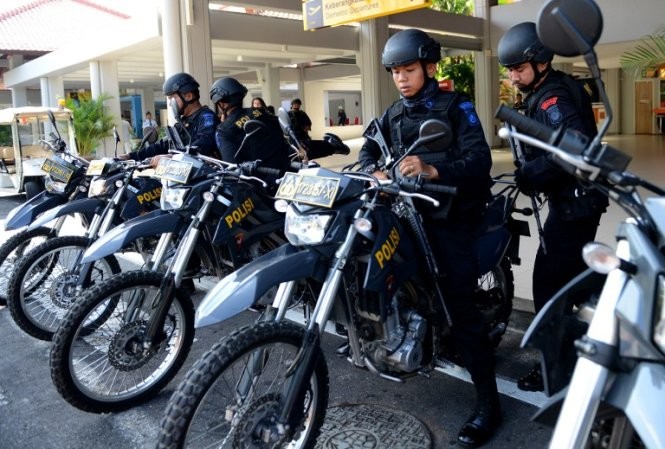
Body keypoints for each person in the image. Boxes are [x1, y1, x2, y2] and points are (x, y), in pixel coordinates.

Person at [358, 28, 498, 448]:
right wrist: (373, 170)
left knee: (460, 303)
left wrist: (436, 171)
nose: (401, 78)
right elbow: (368, 149)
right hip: (407, 214)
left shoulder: (456, 107)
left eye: (409, 69)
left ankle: (489, 403)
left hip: (451, 215)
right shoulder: (393, 115)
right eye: (395, 71)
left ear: (429, 68)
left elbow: (480, 160)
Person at [498, 22, 608, 392]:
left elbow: (574, 148)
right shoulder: (548, 90)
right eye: (510, 70)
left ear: (540, 61)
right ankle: (579, 356)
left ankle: (555, 370)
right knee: (571, 283)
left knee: (549, 288)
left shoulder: (552, 99)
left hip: (574, 205)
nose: (513, 77)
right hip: (576, 203)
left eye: (518, 68)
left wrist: (532, 172)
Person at [119, 72, 219, 161]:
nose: (170, 104)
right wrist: (131, 156)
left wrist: (172, 157)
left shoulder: (206, 117)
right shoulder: (182, 123)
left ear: (188, 96)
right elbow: (163, 145)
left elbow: (204, 142)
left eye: (172, 98)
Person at [210, 77, 291, 178]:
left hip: (257, 185)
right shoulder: (262, 112)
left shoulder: (223, 130)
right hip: (285, 174)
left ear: (221, 104)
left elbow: (232, 167)